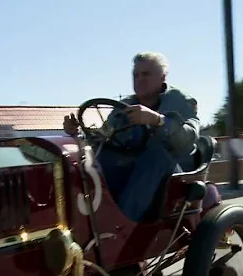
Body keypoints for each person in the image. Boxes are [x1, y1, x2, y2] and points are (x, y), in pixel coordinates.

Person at [63, 51, 201, 222]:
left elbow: (188, 139)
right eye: (136, 75)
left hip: (174, 172)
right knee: (97, 160)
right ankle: (88, 222)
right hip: (133, 167)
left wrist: (157, 120)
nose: (139, 79)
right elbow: (103, 139)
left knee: (155, 155)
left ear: (163, 77)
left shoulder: (180, 101)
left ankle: (121, 227)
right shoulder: (124, 107)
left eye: (146, 74)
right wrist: (76, 134)